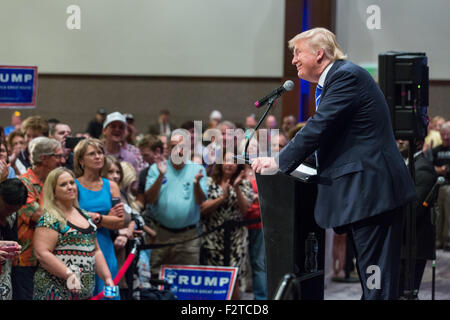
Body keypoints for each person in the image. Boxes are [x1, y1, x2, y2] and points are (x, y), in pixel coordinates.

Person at [251, 27, 416, 300]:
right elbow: (335, 139)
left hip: (372, 195)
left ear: (319, 54)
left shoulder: (346, 76)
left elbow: (318, 126)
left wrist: (280, 162)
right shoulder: (337, 80)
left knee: (376, 285)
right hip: (365, 197)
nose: (293, 60)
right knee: (373, 283)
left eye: (297, 53)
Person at [32, 168, 114, 300]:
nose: (70, 187)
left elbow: (96, 251)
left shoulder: (85, 215)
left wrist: (107, 278)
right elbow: (42, 253)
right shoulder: (50, 218)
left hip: (84, 292)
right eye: (63, 184)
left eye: (72, 183)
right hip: (55, 292)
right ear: (53, 191)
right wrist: (69, 275)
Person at [145, 133, 208, 278]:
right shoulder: (156, 169)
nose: (178, 151)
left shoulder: (198, 170)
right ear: (168, 150)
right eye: (174, 147)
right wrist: (161, 176)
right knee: (155, 278)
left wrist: (196, 184)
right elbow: (149, 199)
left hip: (188, 237)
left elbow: (200, 201)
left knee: (188, 279)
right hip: (160, 234)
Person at [12, 137, 65, 300]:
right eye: (57, 156)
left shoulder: (52, 184)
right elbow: (38, 216)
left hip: (50, 261)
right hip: (26, 261)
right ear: (44, 158)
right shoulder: (23, 184)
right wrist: (67, 217)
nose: (62, 161)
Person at [73, 138, 125, 299]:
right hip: (79, 249)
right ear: (81, 160)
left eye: (100, 153)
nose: (98, 157)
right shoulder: (73, 185)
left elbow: (119, 221)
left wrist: (94, 217)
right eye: (92, 154)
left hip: (105, 247)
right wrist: (105, 218)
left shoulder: (111, 186)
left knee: (108, 294)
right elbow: (74, 220)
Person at [200, 151, 253, 299]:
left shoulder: (243, 183)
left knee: (233, 277)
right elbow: (203, 209)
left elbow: (245, 210)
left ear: (238, 165)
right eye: (226, 160)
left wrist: (235, 188)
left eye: (233, 161)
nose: (229, 164)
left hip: (236, 238)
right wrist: (223, 197)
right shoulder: (209, 182)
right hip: (213, 237)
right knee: (214, 277)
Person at [397, 138, 437, 298]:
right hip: (403, 245)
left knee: (407, 293)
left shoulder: (423, 169)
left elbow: (413, 211)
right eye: (397, 137)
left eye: (404, 138)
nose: (399, 141)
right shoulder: (409, 163)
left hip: (413, 246)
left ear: (418, 142)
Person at [0, 178, 28, 300]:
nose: (9, 212)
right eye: (7, 208)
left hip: (5, 274)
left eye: (14, 210)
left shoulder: (12, 215)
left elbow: (12, 239)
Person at [430, 121, 450, 250]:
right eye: (444, 134)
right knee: (438, 214)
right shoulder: (435, 150)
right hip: (438, 186)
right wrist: (439, 169)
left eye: (448, 134)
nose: (446, 137)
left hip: (449, 186)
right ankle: (438, 240)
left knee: (448, 213)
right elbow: (430, 167)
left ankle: (447, 240)